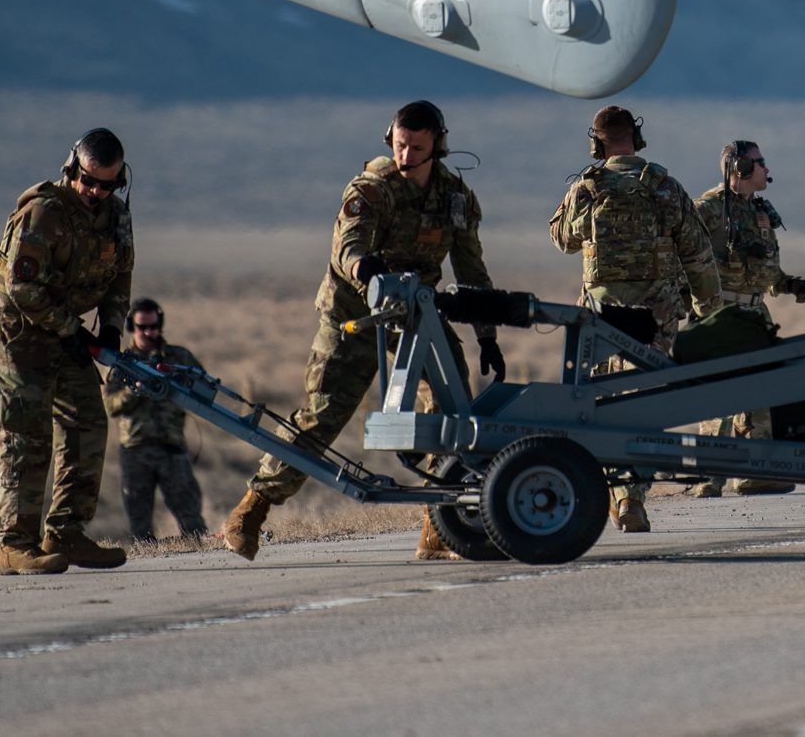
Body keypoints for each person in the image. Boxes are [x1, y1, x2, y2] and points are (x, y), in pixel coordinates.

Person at [220, 101, 497, 562]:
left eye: (418, 148)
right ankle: (252, 509)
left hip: (414, 316)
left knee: (450, 406)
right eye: (400, 145)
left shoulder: (455, 198)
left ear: (439, 147)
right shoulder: (371, 190)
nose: (406, 156)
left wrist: (486, 334)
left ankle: (438, 526)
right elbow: (348, 244)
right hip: (354, 313)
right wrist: (364, 270)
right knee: (322, 415)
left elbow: (472, 269)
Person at [549, 105, 719, 533]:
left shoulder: (587, 187)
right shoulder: (665, 186)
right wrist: (708, 307)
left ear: (597, 142)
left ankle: (605, 492)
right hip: (656, 313)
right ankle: (631, 498)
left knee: (600, 404)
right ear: (635, 138)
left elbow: (562, 240)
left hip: (600, 316)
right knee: (641, 405)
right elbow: (698, 254)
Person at [0, 129, 136, 574]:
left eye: (107, 185)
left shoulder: (116, 217)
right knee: (26, 438)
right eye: (89, 181)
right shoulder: (43, 212)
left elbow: (120, 275)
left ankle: (66, 533)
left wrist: (111, 328)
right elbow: (20, 286)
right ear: (72, 168)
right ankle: (15, 545)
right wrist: (70, 328)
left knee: (88, 422)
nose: (95, 192)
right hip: (18, 336)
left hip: (65, 334)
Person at [686, 141, 805, 497]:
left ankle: (757, 472)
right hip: (720, 312)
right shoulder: (707, 210)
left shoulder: (757, 211)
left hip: (754, 312)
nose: (766, 169)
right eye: (759, 163)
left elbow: (763, 266)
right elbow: (684, 255)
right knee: (719, 391)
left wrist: (787, 283)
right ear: (739, 167)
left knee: (763, 390)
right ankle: (708, 476)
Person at [102, 297, 206, 543]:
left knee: (192, 520)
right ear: (131, 328)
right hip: (135, 451)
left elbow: (203, 389)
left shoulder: (178, 359)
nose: (149, 333)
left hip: (172, 449)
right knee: (140, 527)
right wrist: (135, 390)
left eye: (153, 326)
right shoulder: (122, 364)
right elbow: (110, 406)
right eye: (142, 328)